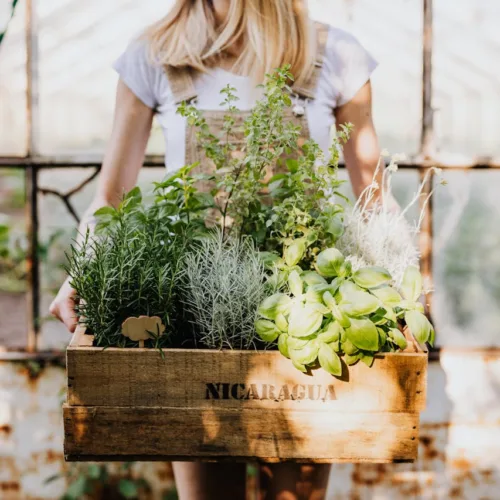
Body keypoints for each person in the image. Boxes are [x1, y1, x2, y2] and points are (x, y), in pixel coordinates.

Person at [50, 0, 382, 498]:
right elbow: (110, 196)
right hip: (197, 317)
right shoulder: (157, 52)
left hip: (303, 315)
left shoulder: (334, 54)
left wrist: (404, 277)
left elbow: (372, 197)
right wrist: (83, 269)